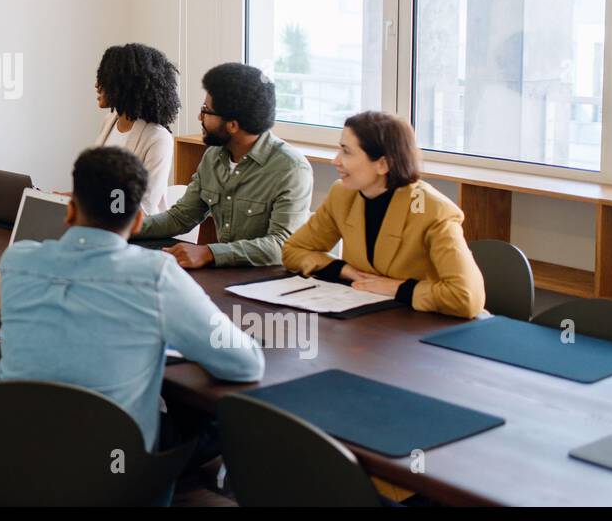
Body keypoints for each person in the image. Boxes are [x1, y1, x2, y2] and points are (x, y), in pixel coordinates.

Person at [0, 146, 265, 505]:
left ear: (71, 208)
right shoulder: (155, 276)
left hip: (15, 449)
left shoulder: (16, 259)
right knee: (211, 421)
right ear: (138, 221)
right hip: (112, 467)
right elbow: (244, 364)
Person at [283, 111, 486, 319]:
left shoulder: (433, 210)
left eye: (346, 152)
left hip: (425, 326)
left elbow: (467, 297)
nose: (336, 161)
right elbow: (294, 250)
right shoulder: (342, 194)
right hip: (369, 318)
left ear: (383, 164)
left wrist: (398, 288)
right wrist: (343, 270)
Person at [138, 62, 313, 269]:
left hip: (265, 283)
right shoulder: (213, 157)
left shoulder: (291, 169)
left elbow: (281, 245)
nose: (199, 117)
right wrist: (129, 227)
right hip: (224, 275)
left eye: (206, 111)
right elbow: (181, 217)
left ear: (232, 125)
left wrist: (209, 252)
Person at [93, 43, 180, 214]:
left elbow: (144, 205)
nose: (97, 85)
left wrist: (91, 209)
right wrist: (72, 198)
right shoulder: (109, 122)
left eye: (104, 78)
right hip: (99, 221)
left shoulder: (158, 138)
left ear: (125, 85)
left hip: (136, 230)